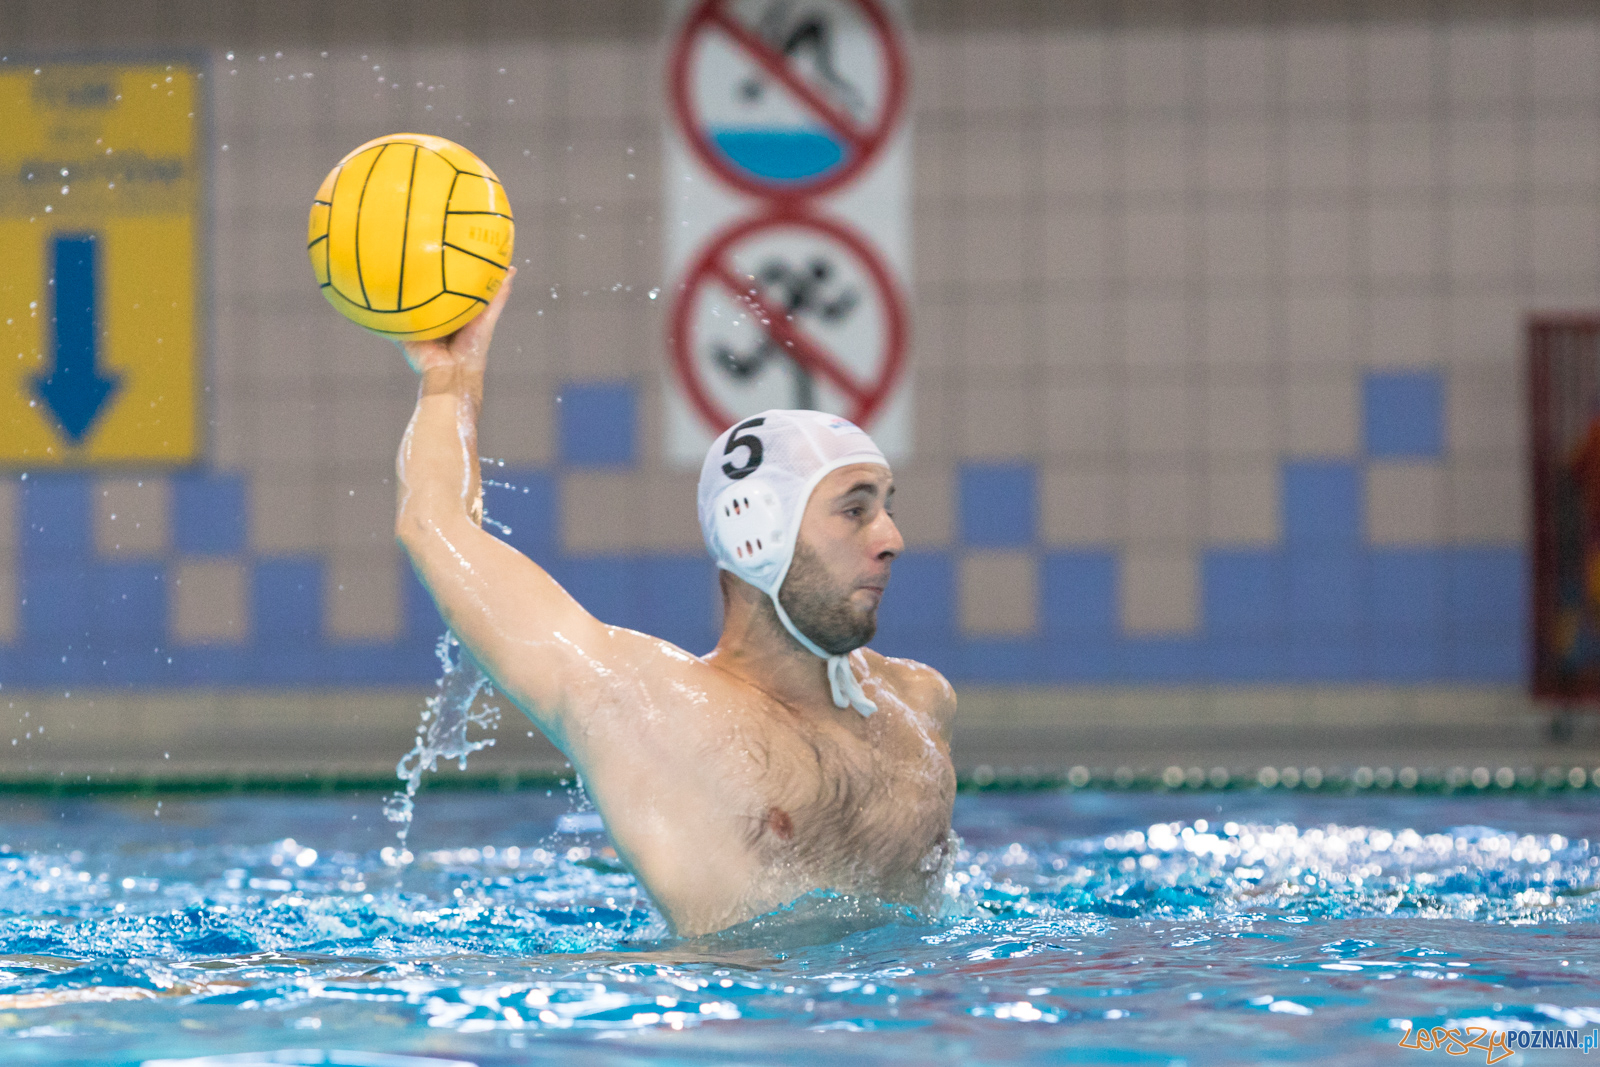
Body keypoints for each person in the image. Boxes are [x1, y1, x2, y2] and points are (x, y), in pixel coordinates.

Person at [395, 268, 957, 937]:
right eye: (854, 510)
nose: (891, 538)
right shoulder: (646, 709)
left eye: (886, 508)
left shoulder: (921, 704)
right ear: (756, 530)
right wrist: (450, 381)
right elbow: (435, 527)